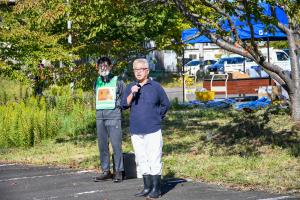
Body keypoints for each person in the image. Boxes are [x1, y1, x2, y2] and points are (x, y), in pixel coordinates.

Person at [122, 58, 170, 198]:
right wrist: (132, 92)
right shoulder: (131, 86)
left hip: (153, 129)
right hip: (136, 130)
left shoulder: (156, 87)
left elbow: (165, 104)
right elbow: (124, 105)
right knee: (141, 159)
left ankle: (156, 188)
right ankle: (147, 187)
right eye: (135, 69)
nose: (138, 72)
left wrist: (157, 117)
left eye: (141, 69)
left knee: (154, 158)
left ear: (147, 71)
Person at [93, 56, 125, 183]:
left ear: (111, 67)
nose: (103, 67)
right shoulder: (96, 82)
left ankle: (119, 171)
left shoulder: (118, 81)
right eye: (101, 65)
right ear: (98, 68)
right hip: (100, 117)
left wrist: (118, 112)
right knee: (102, 145)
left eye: (106, 65)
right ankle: (106, 171)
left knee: (116, 145)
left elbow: (124, 98)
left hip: (113, 116)